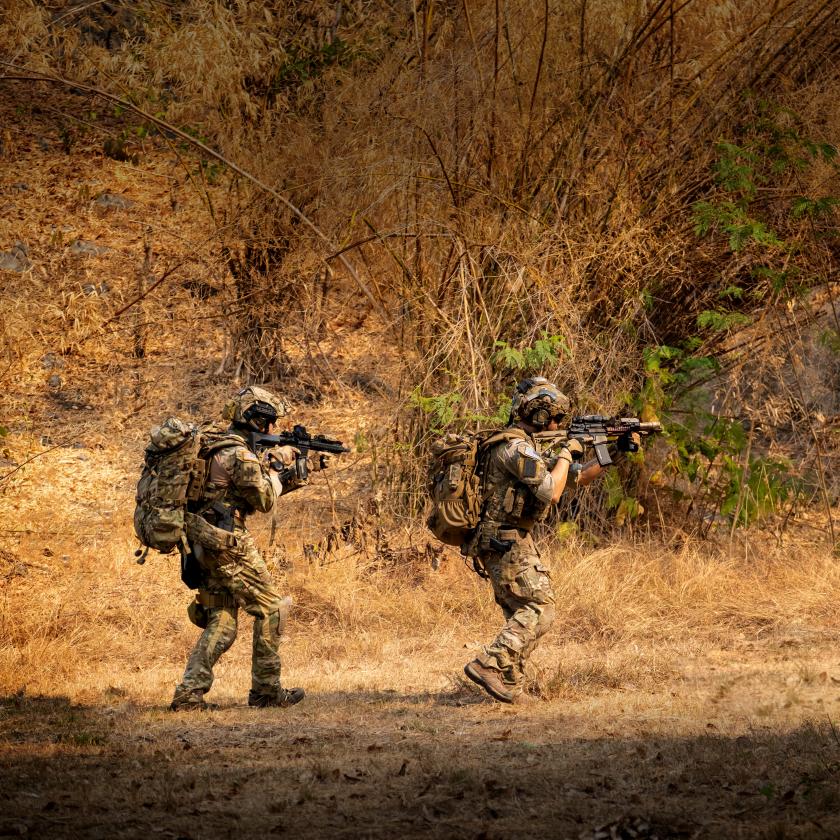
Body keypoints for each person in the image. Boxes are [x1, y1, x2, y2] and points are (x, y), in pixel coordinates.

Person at [463, 376, 634, 704]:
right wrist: (568, 451)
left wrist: (615, 450)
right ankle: (489, 664)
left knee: (520, 613)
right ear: (540, 415)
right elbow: (552, 492)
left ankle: (510, 685)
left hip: (507, 538)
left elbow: (575, 478)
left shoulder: (526, 448)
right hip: (504, 540)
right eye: (555, 418)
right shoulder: (515, 448)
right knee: (540, 608)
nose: (557, 424)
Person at [170, 386, 315, 711]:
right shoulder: (240, 455)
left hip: (201, 540)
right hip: (227, 541)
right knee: (272, 608)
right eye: (271, 422)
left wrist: (292, 471)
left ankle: (188, 695)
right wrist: (277, 468)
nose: (274, 429)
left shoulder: (216, 445)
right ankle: (266, 691)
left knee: (222, 619)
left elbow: (242, 495)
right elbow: (263, 500)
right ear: (258, 421)